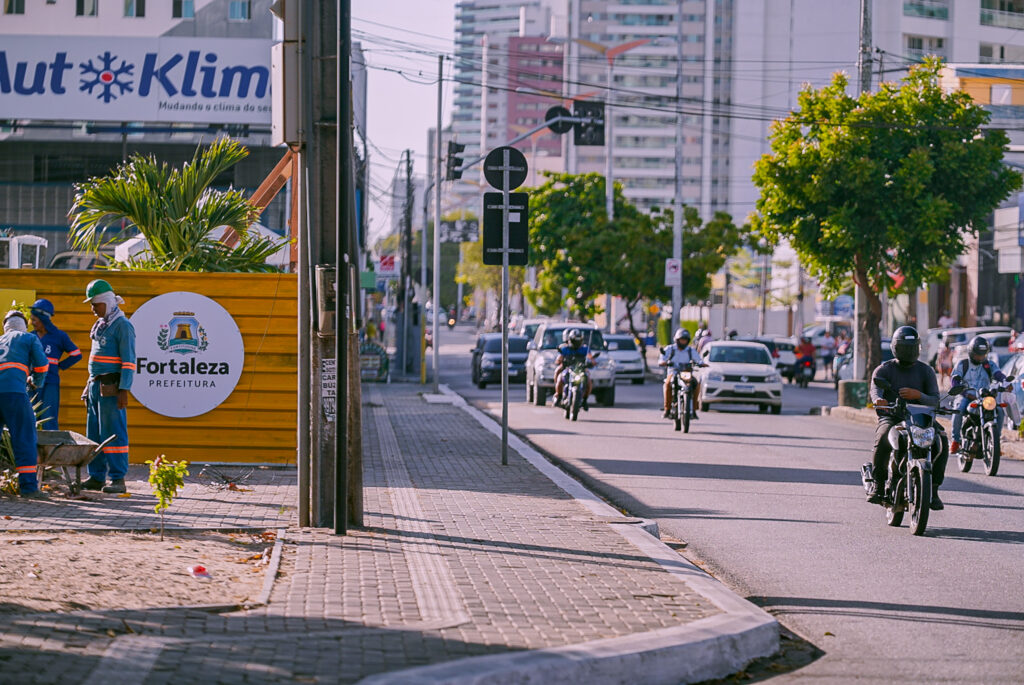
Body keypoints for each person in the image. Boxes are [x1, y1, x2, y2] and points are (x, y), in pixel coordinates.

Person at [868, 326, 948, 510]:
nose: (909, 351)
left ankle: (933, 489)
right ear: (896, 348)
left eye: (912, 347)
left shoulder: (926, 371)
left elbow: (935, 399)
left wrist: (917, 395)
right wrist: (879, 400)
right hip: (893, 417)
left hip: (920, 419)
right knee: (882, 438)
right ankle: (878, 484)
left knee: (941, 440)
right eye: (905, 347)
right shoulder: (884, 369)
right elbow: (875, 389)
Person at [81, 280, 136, 494]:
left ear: (107, 302)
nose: (92, 309)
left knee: (113, 432)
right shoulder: (101, 325)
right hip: (96, 386)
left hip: (111, 386)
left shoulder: (123, 326)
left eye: (95, 304)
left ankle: (117, 479)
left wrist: (124, 390)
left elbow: (129, 361)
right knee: (94, 433)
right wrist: (88, 386)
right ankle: (96, 477)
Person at [0, 310, 50, 498]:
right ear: (23, 325)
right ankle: (28, 488)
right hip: (15, 394)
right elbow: (42, 365)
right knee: (25, 438)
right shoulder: (28, 338)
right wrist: (36, 381)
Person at [28, 299, 82, 430]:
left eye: (34, 320)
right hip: (32, 384)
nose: (32, 323)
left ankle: (49, 449)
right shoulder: (29, 337)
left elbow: (76, 354)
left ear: (43, 319)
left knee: (49, 419)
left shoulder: (59, 336)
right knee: (30, 418)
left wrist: (60, 365)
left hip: (50, 383)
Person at [949, 336, 1006, 456]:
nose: (980, 357)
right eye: (977, 355)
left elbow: (998, 374)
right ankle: (956, 440)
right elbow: (955, 379)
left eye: (983, 355)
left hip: (985, 397)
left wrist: (1005, 382)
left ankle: (996, 442)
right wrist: (962, 390)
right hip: (966, 395)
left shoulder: (989, 365)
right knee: (958, 410)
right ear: (971, 352)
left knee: (1000, 410)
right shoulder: (963, 364)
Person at [659, 328, 703, 419]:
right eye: (682, 340)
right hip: (673, 372)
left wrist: (701, 364)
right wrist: (664, 362)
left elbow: (699, 360)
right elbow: (662, 360)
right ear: (677, 340)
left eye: (685, 340)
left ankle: (694, 409)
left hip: (686, 373)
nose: (683, 342)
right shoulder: (670, 349)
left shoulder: (690, 350)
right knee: (667, 384)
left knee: (696, 384)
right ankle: (667, 409)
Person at [553, 329, 593, 410]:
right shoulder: (565, 349)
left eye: (578, 340)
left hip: (580, 369)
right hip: (568, 368)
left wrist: (591, 363)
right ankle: (558, 395)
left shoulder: (585, 349)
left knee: (588, 381)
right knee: (560, 376)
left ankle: (585, 400)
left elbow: (591, 359)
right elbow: (558, 359)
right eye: (575, 340)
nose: (576, 343)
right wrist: (560, 361)